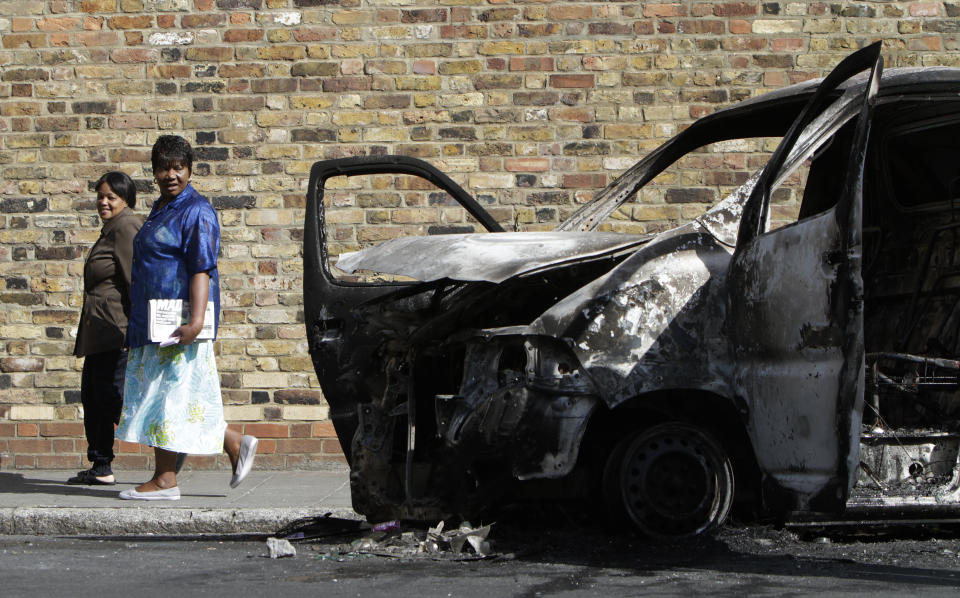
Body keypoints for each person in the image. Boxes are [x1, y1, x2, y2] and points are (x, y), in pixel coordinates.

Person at [115, 134, 257, 500]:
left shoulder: (197, 211)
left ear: (190, 169)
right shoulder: (163, 207)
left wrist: (195, 322)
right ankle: (234, 444)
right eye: (163, 168)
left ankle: (165, 480)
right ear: (154, 172)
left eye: (178, 167)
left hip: (179, 323)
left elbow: (201, 270)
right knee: (177, 396)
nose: (171, 174)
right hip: (157, 322)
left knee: (170, 398)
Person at [69, 172, 143, 485]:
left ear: (126, 199)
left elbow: (134, 281)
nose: (103, 202)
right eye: (100, 196)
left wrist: (136, 333)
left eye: (111, 196)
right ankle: (101, 466)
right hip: (101, 333)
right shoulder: (110, 228)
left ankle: (170, 446)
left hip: (116, 331)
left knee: (115, 399)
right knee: (94, 397)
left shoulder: (126, 226)